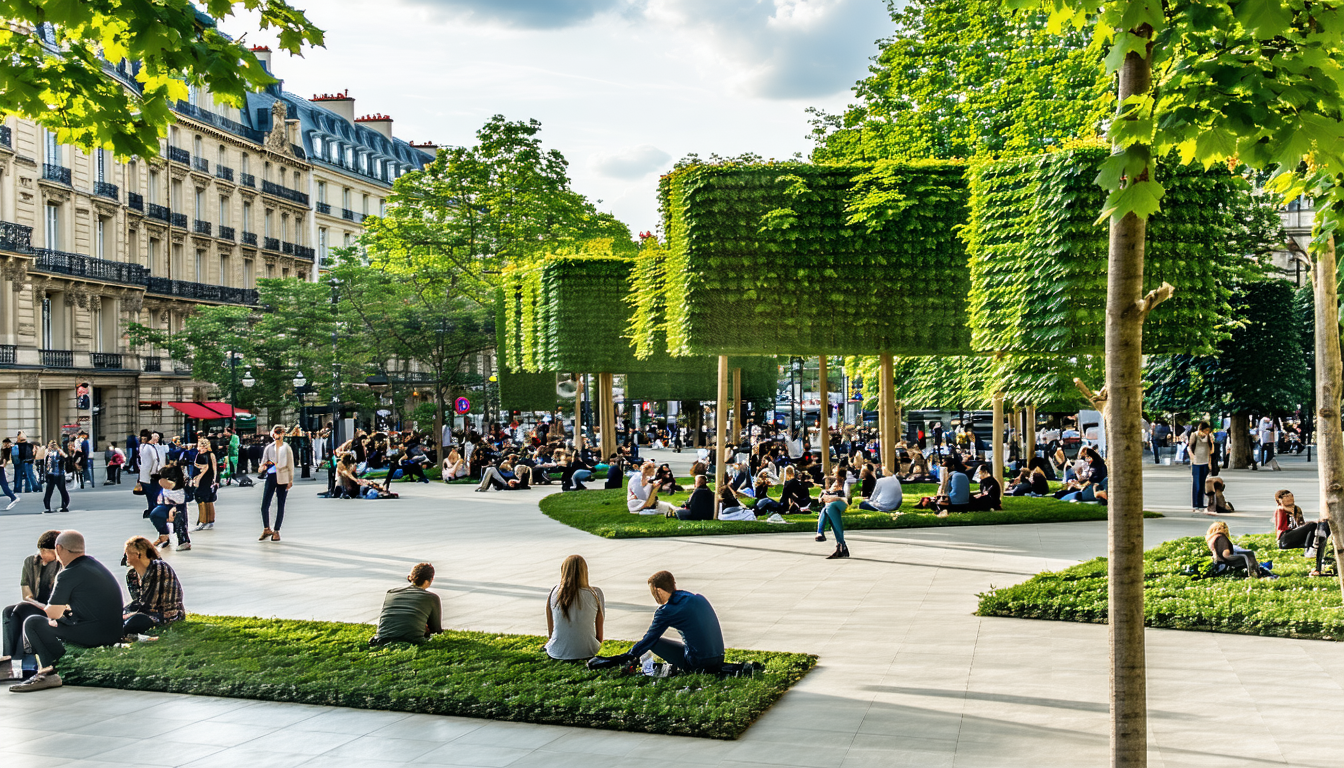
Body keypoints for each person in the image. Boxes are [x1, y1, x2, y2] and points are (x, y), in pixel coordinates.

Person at [9, 531, 123, 692]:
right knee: (23, 612)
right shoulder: (94, 565)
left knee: (33, 622)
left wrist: (35, 608)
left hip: (95, 633)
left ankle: (50, 672)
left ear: (59, 548)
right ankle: (22, 665)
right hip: (113, 630)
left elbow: (53, 613)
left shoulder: (68, 573)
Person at [622, 571, 725, 675]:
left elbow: (649, 639)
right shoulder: (696, 597)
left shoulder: (666, 610)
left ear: (657, 590)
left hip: (698, 663)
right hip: (719, 658)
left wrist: (628, 657)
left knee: (654, 643)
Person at [1, 530, 62, 681]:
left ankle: (19, 664)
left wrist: (38, 605)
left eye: (47, 551)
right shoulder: (30, 562)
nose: (42, 554)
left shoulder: (62, 566)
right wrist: (37, 604)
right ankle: (12, 660)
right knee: (8, 611)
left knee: (22, 609)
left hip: (55, 610)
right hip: (36, 605)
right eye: (40, 550)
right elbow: (26, 595)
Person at [121, 536, 186, 639]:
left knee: (135, 621)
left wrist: (127, 615)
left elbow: (149, 604)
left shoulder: (159, 568)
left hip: (165, 614)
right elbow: (137, 602)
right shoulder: (132, 575)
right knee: (117, 618)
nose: (125, 557)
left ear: (138, 554)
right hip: (146, 612)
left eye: (127, 553)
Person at [544, 555, 605, 661]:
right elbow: (600, 636)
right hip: (589, 651)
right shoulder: (595, 594)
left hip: (556, 651)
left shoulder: (554, 592)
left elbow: (551, 632)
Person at [369, 563, 442, 646]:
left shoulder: (391, 592)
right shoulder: (432, 598)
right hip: (413, 642)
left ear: (409, 578)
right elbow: (436, 630)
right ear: (430, 580)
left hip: (382, 640)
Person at [1272, 490, 1332, 576]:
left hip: (1295, 535)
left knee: (1317, 529)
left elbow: (1301, 525)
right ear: (1279, 501)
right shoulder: (1280, 510)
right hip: (1284, 538)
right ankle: (1309, 549)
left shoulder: (1297, 509)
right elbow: (1281, 528)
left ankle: (1316, 560)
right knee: (1311, 525)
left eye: (1290, 497)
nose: (1289, 500)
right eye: (1286, 498)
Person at [259, 425, 296, 542]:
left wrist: (290, 480)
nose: (278, 435)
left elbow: (291, 465)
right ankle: (266, 528)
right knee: (265, 504)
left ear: (283, 434)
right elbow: (262, 464)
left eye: (280, 432)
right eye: (276, 432)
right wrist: (263, 467)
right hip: (271, 476)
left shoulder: (287, 448)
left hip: (283, 477)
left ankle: (276, 530)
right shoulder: (269, 448)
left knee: (280, 504)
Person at [1206, 521, 1271, 578]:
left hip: (1218, 564)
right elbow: (1225, 555)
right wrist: (1241, 557)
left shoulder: (1212, 539)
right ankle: (1256, 574)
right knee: (1248, 555)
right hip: (1224, 564)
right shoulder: (1222, 538)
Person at [149, 464, 191, 551]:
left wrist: (173, 508)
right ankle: (164, 535)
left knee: (178, 517)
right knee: (155, 514)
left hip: (178, 507)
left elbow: (181, 501)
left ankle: (183, 541)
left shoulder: (180, 490)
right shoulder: (165, 488)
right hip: (165, 505)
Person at [815, 479, 850, 559]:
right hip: (832, 505)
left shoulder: (844, 484)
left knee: (829, 507)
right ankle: (841, 546)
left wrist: (835, 498)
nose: (835, 486)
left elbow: (846, 499)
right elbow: (820, 500)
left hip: (842, 503)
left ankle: (820, 532)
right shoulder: (827, 492)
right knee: (828, 509)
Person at [191, 436, 218, 532]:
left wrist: (215, 480)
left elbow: (211, 468)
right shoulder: (209, 455)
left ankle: (203, 520)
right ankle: (209, 520)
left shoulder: (205, 455)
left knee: (203, 498)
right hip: (205, 479)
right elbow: (214, 468)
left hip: (205, 480)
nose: (199, 448)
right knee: (207, 499)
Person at [1188, 421, 1215, 513]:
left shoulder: (1208, 437)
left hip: (1205, 462)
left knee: (1203, 484)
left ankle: (1200, 504)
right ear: (1201, 429)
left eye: (1208, 430)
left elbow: (1211, 451)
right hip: (1196, 462)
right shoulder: (1194, 435)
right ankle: (1195, 504)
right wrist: (1193, 459)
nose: (1207, 432)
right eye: (1206, 430)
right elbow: (1190, 447)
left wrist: (1212, 441)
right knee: (1197, 484)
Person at [137, 430, 163, 518]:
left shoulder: (142, 447)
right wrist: (154, 472)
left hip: (144, 474)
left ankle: (151, 510)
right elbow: (155, 460)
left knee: (149, 495)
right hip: (151, 475)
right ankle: (153, 511)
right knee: (154, 494)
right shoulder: (150, 448)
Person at [41, 440, 69, 514]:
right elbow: (44, 462)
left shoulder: (60, 452)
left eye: (54, 445)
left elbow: (66, 457)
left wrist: (59, 450)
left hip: (59, 474)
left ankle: (64, 506)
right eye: (51, 445)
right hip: (51, 474)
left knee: (62, 490)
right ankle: (48, 507)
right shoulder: (48, 452)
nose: (52, 447)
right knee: (49, 491)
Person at [0, 437, 20, 509]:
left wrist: (2, 465)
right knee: (4, 484)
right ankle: (12, 496)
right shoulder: (4, 449)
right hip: (1, 467)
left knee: (4, 484)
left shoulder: (6, 450)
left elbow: (5, 458)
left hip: (0, 468)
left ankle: (13, 497)